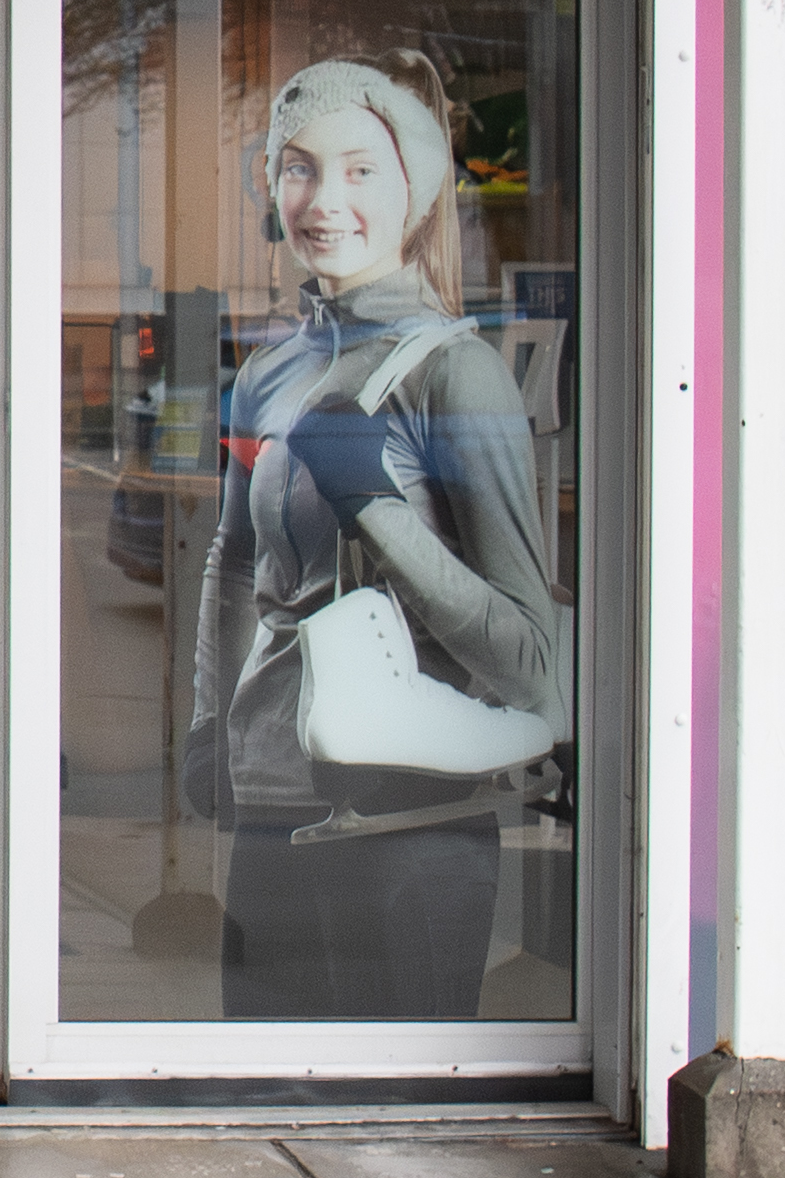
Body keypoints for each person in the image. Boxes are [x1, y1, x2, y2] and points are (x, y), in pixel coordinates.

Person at [187, 52, 564, 1016]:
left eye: (360, 170)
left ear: (413, 192)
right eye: (299, 166)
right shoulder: (267, 373)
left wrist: (377, 508)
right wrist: (206, 729)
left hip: (411, 817)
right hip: (272, 805)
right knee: (261, 1113)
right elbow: (234, 567)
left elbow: (526, 655)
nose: (324, 198)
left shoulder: (456, 374)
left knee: (391, 1139)